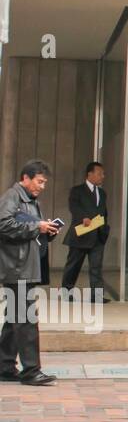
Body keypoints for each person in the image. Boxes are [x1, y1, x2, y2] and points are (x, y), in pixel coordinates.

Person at [0, 160, 60, 386]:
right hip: (17, 268)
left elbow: (28, 231)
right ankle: (31, 371)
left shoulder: (30, 201)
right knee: (25, 320)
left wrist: (47, 230)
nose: (42, 186)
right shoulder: (12, 197)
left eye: (44, 183)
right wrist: (37, 227)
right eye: (39, 181)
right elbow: (2, 224)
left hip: (25, 266)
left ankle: (4, 366)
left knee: (14, 319)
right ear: (26, 178)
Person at [60, 160, 112, 302]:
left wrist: (105, 227)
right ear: (90, 174)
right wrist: (83, 217)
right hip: (81, 233)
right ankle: (66, 292)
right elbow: (73, 207)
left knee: (96, 267)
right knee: (73, 265)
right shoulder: (77, 190)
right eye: (100, 173)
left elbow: (103, 212)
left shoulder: (102, 193)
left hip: (98, 235)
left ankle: (97, 296)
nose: (103, 176)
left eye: (103, 174)